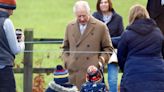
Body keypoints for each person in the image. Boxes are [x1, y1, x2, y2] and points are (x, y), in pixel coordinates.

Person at [61, 0, 114, 90]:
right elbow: (65, 48)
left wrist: (100, 61)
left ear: (89, 12)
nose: (81, 19)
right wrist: (67, 61)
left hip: (92, 75)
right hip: (73, 74)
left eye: (84, 16)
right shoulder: (70, 26)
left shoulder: (100, 27)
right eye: (79, 16)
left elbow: (108, 48)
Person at [117, 4, 164, 92]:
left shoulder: (127, 34)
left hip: (133, 77)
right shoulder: (158, 33)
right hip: (158, 77)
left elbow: (121, 57)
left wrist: (127, 68)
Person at [92, 0, 124, 91]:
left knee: (113, 79)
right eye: (101, 2)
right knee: (97, 78)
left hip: (112, 52)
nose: (103, 4)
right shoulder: (94, 17)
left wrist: (108, 42)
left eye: (106, 2)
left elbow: (122, 36)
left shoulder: (118, 18)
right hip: (97, 51)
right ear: (98, 4)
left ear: (109, 3)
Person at [0, 0, 25, 92]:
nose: (12, 13)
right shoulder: (7, 22)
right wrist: (22, 42)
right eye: (12, 10)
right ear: (8, 8)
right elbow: (16, 50)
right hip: (4, 70)